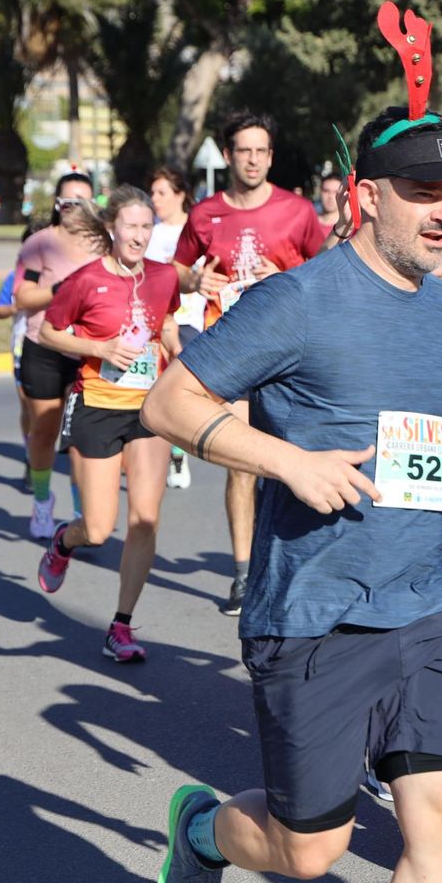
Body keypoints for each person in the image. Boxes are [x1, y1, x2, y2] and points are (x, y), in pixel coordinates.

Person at [141, 97, 442, 883]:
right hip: (312, 614)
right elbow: (170, 402)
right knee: (311, 848)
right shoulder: (298, 301)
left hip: (426, 611)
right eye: (425, 190)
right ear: (366, 195)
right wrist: (287, 464)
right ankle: (199, 833)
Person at [170, 113, 328, 616]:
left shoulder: (297, 210)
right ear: (229, 154)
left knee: (292, 465)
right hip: (233, 354)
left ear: (271, 156)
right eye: (244, 151)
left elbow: (328, 272)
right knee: (243, 465)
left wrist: (286, 275)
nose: (253, 159)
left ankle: (291, 567)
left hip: (290, 356)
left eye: (261, 151)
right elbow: (177, 268)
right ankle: (243, 574)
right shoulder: (205, 214)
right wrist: (195, 283)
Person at [34, 187, 182, 663]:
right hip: (97, 404)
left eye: (146, 227)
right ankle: (63, 540)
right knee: (98, 529)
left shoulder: (163, 278)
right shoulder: (85, 280)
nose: (138, 236)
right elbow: (49, 331)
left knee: (145, 518)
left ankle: (120, 625)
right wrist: (99, 350)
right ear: (112, 229)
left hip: (148, 409)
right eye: (130, 226)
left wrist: (187, 367)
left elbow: (170, 331)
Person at [11, 172, 102, 537]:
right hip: (44, 347)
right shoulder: (39, 243)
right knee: (45, 432)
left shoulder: (105, 244)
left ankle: (81, 512)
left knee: (80, 437)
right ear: (56, 205)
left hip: (87, 350)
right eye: (68, 203)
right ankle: (42, 504)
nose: (75, 210)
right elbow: (22, 297)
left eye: (83, 202)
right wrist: (63, 289)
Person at [147, 166, 197, 490]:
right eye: (152, 193)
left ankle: (178, 450)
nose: (155, 200)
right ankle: (151, 454)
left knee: (180, 393)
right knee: (153, 391)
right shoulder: (147, 232)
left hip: (190, 320)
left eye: (161, 193)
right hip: (153, 324)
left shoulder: (195, 231)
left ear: (180, 194)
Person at [0, 267, 31, 490]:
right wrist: (16, 307)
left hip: (61, 352)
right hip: (23, 351)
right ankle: (31, 457)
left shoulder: (65, 271)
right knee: (28, 409)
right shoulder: (16, 277)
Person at [315, 173, 344, 237]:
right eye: (326, 191)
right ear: (320, 192)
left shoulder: (349, 229)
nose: (330, 196)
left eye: (336, 192)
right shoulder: (308, 223)